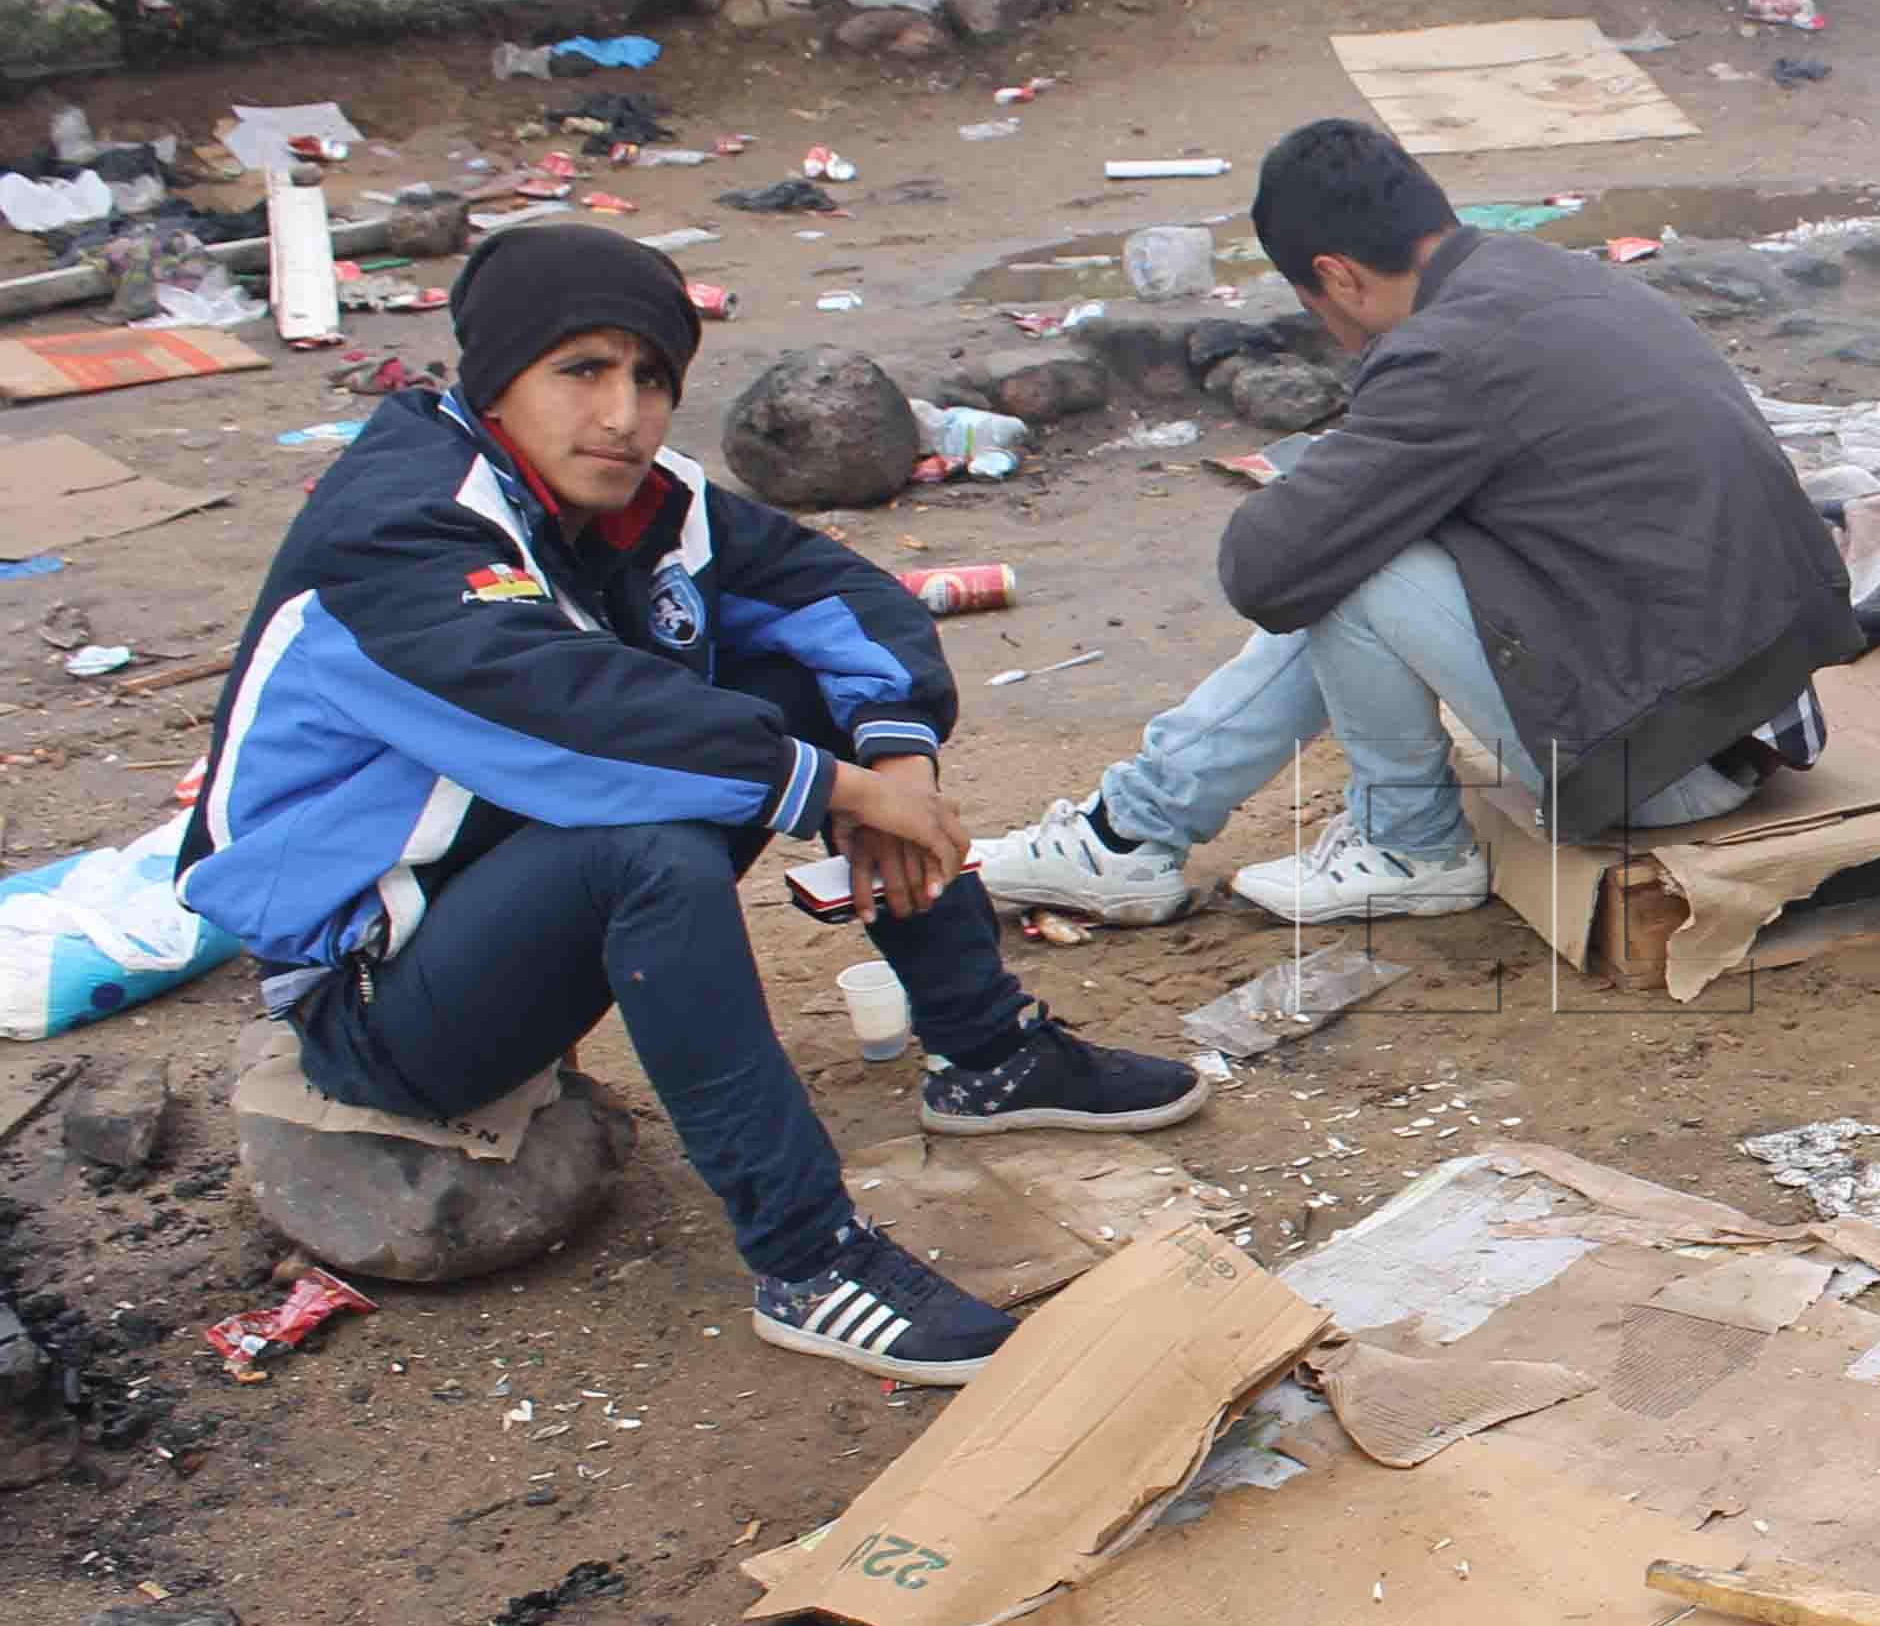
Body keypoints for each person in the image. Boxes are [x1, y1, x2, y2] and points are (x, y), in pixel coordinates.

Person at [177, 225, 1207, 1387]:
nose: (624, 414)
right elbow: (572, 713)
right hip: (380, 1004)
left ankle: (989, 1056)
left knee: (807, 696)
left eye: (652, 377)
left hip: (502, 887)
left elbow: (840, 591)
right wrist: (839, 785)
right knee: (647, 845)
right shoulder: (401, 526)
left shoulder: (641, 501)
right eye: (582, 370)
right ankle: (808, 1256)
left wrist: (896, 754)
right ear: (493, 378)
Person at [975, 119, 1862, 926]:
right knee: (1368, 538)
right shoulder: (1542, 274)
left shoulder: (1446, 352)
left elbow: (1262, 569)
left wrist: (1340, 468)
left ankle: (1406, 844)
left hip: (1674, 766)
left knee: (1348, 564)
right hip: (1747, 717)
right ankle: (1130, 829)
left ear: (1335, 276)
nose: (1338, 336)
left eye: (1321, 313)